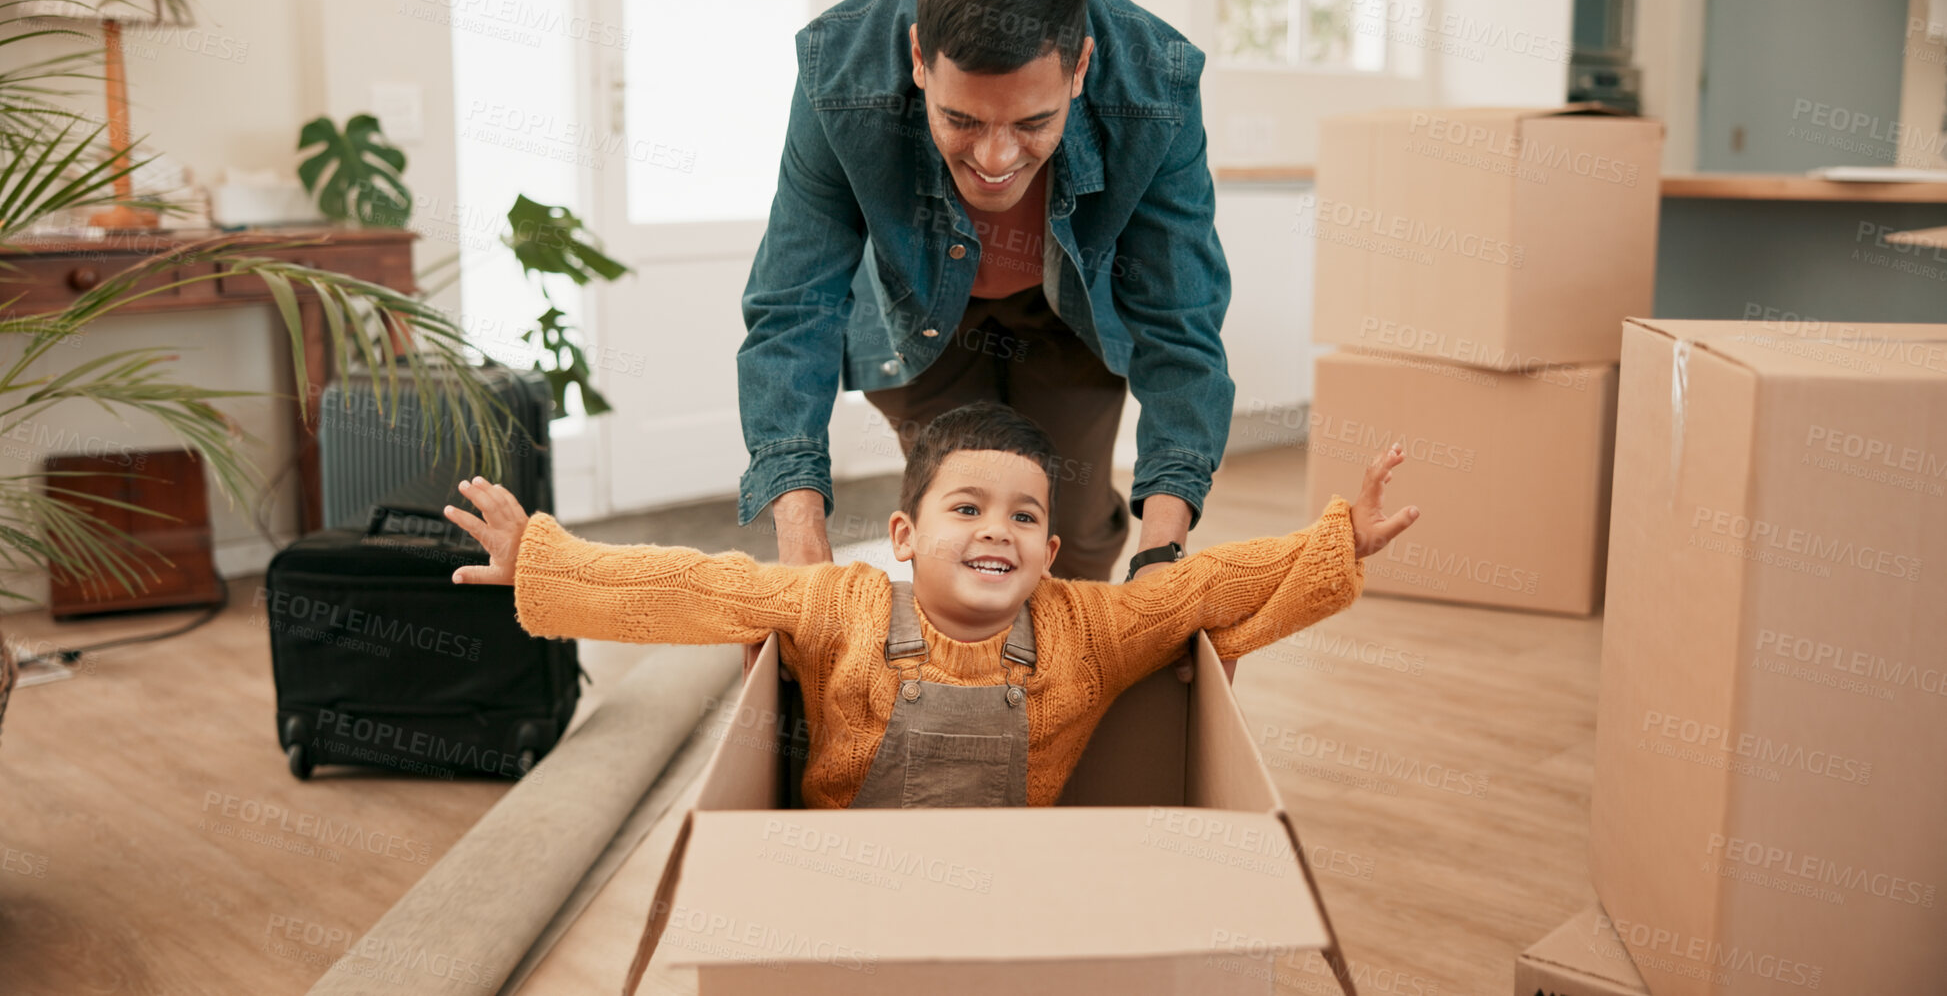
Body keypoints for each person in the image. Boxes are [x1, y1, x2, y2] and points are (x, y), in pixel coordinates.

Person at [446, 401, 1419, 809]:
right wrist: (544, 557)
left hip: (1004, 896)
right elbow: (699, 585)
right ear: (907, 536)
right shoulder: (842, 604)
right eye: (967, 507)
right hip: (838, 885)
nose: (996, 529)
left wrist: (1336, 540)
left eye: (1023, 515)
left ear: (1051, 549)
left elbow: (1207, 587)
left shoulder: (1092, 626)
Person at [737, 0, 1234, 636]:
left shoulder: (1156, 84)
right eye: (960, 119)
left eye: (1033, 122)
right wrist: (802, 554)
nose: (995, 158)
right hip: (909, 315)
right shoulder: (840, 69)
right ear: (919, 57)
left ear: (1080, 65)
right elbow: (793, 303)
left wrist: (1161, 554)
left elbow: (1181, 322)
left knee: (1073, 537)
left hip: (1069, 316)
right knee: (957, 539)